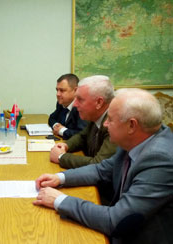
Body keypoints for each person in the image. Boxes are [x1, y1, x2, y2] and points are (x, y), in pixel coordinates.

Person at [34, 88, 173, 244]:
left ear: (132, 125)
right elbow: (101, 170)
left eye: (111, 119)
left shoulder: (159, 159)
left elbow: (116, 220)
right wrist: (59, 178)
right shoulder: (136, 139)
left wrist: (60, 200)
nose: (105, 124)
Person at [50, 75, 117, 169]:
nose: (75, 104)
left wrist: (61, 157)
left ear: (99, 103)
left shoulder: (115, 123)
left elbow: (99, 164)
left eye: (80, 100)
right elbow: (82, 136)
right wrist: (66, 146)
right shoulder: (96, 115)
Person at [48, 73, 87, 139]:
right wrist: (56, 126)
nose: (58, 94)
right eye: (57, 90)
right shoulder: (61, 103)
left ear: (75, 90)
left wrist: (61, 131)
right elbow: (51, 118)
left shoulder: (82, 107)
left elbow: (82, 135)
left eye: (62, 90)